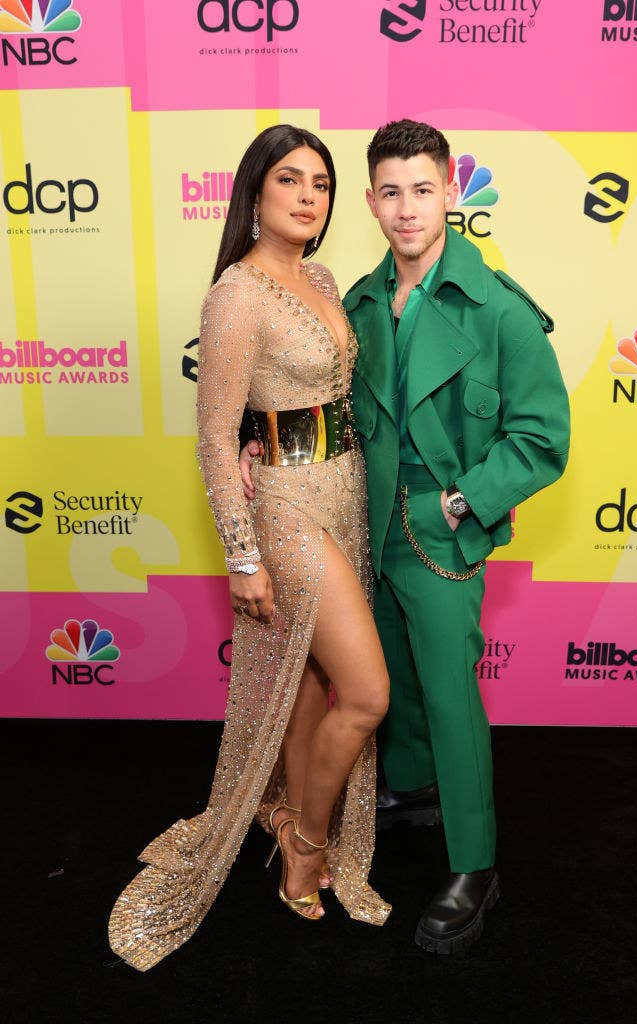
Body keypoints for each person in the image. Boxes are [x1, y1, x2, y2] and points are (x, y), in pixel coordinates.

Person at [240, 119, 570, 956]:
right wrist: (259, 443)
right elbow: (325, 408)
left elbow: (541, 437)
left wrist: (463, 503)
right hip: (357, 528)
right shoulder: (352, 301)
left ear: (452, 193)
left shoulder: (498, 308)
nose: (406, 208)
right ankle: (415, 786)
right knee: (390, 686)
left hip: (437, 531)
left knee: (451, 697)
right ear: (371, 202)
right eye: (389, 191)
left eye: (422, 189)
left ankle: (473, 864)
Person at [108, 125, 390, 972]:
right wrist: (242, 555)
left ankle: (284, 817)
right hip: (285, 509)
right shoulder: (235, 294)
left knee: (311, 684)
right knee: (367, 692)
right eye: (290, 181)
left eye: (322, 184)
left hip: (346, 491)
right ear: (254, 195)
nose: (309, 196)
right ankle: (306, 846)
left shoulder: (323, 276)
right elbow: (213, 437)